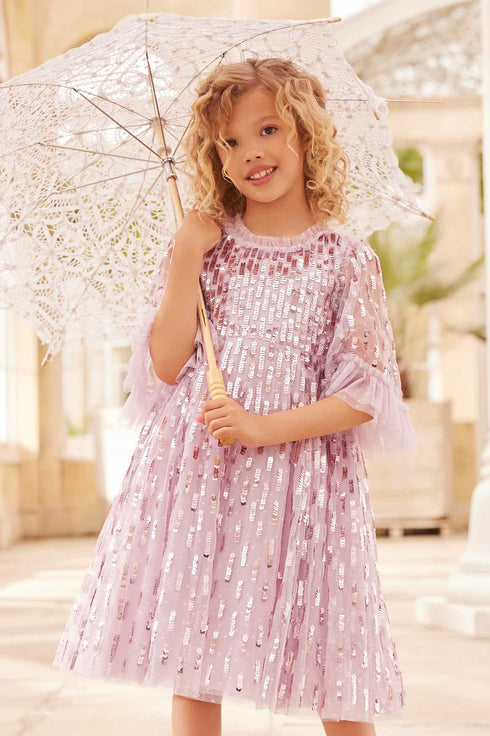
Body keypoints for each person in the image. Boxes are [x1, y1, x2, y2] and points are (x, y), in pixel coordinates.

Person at [52, 58, 418, 736]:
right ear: (214, 157)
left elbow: (365, 392)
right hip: (204, 472)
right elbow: (166, 366)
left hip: (303, 479)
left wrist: (262, 427)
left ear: (305, 134)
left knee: (329, 654)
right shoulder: (205, 249)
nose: (250, 151)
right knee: (193, 651)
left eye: (268, 129)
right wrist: (186, 256)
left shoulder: (345, 260)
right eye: (230, 141)